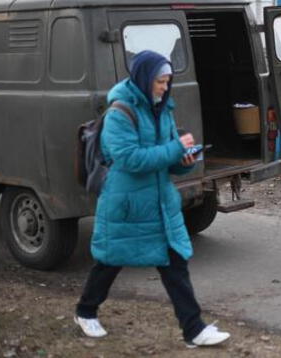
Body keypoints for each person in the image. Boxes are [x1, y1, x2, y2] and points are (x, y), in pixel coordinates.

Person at [74, 50, 230, 347]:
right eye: (160, 80)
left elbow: (167, 160)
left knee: (175, 263)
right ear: (144, 78)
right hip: (127, 203)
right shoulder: (120, 112)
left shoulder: (163, 109)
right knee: (110, 260)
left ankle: (193, 329)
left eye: (168, 80)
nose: (164, 86)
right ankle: (85, 311)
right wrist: (173, 150)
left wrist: (184, 160)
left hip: (160, 201)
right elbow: (129, 159)